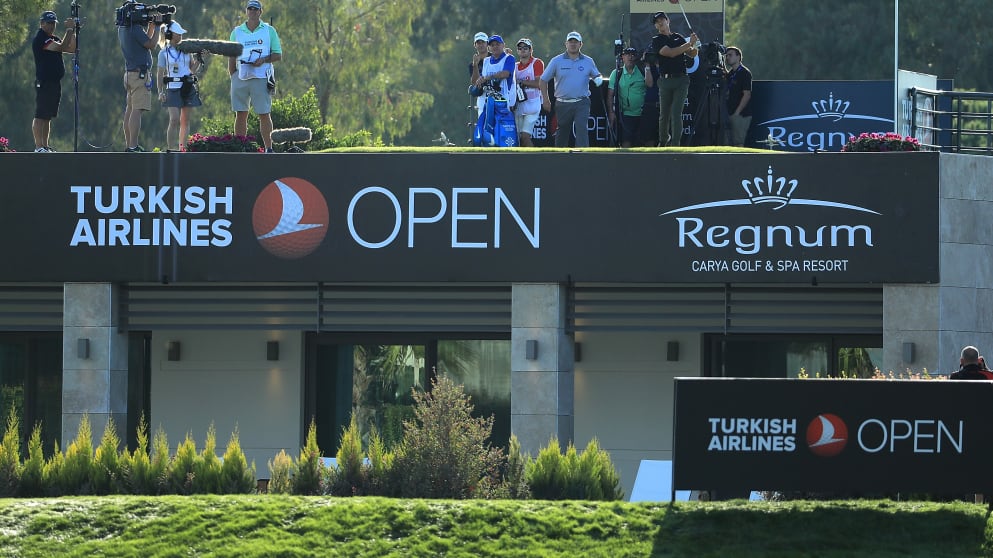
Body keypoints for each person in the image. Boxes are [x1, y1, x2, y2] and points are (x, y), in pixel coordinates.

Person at [229, 0, 282, 153]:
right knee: (241, 113)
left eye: (255, 9)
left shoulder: (269, 30)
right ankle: (240, 147)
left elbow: (278, 55)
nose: (252, 11)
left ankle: (269, 148)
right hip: (241, 76)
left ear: (260, 12)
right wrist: (233, 75)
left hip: (261, 76)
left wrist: (264, 59)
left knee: (264, 113)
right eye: (250, 9)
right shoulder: (237, 31)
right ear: (246, 11)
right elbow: (231, 56)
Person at [539, 31, 603, 148]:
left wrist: (598, 78)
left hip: (582, 102)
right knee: (562, 132)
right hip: (562, 103)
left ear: (581, 44)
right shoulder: (556, 61)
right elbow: (543, 80)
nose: (573, 44)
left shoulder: (588, 61)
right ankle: (560, 157)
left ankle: (583, 158)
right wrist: (546, 100)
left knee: (581, 128)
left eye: (576, 42)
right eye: (570, 42)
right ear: (566, 44)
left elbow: (596, 75)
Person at [649, 11, 698, 147]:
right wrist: (689, 44)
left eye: (662, 20)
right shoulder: (657, 40)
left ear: (668, 21)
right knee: (664, 114)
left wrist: (694, 45)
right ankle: (663, 141)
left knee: (676, 112)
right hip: (665, 81)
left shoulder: (678, 37)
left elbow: (691, 54)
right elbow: (670, 53)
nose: (660, 22)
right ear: (656, 26)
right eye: (657, 22)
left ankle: (676, 144)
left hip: (681, 80)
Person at [119, 5, 163, 152]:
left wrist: (150, 26)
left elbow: (144, 41)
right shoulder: (135, 29)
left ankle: (129, 144)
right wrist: (157, 28)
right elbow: (151, 45)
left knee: (130, 110)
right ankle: (133, 145)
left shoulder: (123, 29)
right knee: (137, 110)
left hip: (130, 74)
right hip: (140, 75)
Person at [32, 11, 76, 153]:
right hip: (44, 82)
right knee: (40, 115)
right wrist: (69, 29)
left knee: (48, 116)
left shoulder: (53, 38)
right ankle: (39, 147)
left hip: (54, 83)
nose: (52, 26)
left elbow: (71, 48)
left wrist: (73, 31)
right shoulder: (41, 38)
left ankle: (45, 146)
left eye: (53, 23)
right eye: (49, 23)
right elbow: (62, 47)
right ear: (42, 23)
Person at [156, 20, 203, 151]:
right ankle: (171, 148)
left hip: (187, 87)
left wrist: (199, 59)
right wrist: (160, 91)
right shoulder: (163, 53)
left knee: (185, 120)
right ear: (170, 35)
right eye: (178, 34)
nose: (181, 36)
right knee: (174, 119)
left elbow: (192, 70)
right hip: (172, 88)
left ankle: (183, 148)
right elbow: (160, 74)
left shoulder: (187, 50)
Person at [606, 47, 647, 148]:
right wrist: (611, 113)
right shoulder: (616, 73)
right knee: (626, 143)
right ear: (622, 57)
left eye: (633, 54)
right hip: (625, 115)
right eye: (627, 54)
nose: (630, 57)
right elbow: (610, 95)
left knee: (643, 144)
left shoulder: (642, 72)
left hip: (642, 114)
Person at [514, 38, 543, 147]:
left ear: (531, 50)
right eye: (520, 48)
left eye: (525, 48)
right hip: (519, 105)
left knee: (525, 137)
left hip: (532, 105)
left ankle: (534, 160)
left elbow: (538, 83)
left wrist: (522, 82)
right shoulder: (515, 66)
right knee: (517, 137)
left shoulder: (537, 63)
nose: (522, 50)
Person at [475, 35, 516, 106]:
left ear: (503, 45)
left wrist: (488, 77)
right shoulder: (486, 61)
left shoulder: (509, 58)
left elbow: (505, 74)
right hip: (489, 100)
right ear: (489, 47)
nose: (495, 47)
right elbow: (483, 77)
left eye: (497, 44)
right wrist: (480, 80)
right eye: (492, 45)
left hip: (504, 100)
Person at [724, 46, 753, 147]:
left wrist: (737, 113)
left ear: (738, 57)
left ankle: (740, 163)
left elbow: (747, 94)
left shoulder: (745, 73)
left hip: (741, 115)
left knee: (738, 143)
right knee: (727, 144)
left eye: (730, 55)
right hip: (729, 113)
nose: (727, 57)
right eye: (726, 56)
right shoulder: (730, 74)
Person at [639, 54, 661, 147]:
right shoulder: (646, 68)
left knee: (664, 137)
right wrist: (647, 65)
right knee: (649, 138)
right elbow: (649, 84)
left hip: (663, 105)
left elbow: (662, 82)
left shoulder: (666, 66)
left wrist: (659, 65)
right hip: (650, 105)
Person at [469, 32, 489, 118]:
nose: (481, 45)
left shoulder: (495, 57)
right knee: (483, 124)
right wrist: (475, 65)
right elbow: (474, 82)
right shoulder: (472, 64)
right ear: (475, 45)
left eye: (483, 42)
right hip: (482, 97)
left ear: (487, 43)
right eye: (478, 43)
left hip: (498, 94)